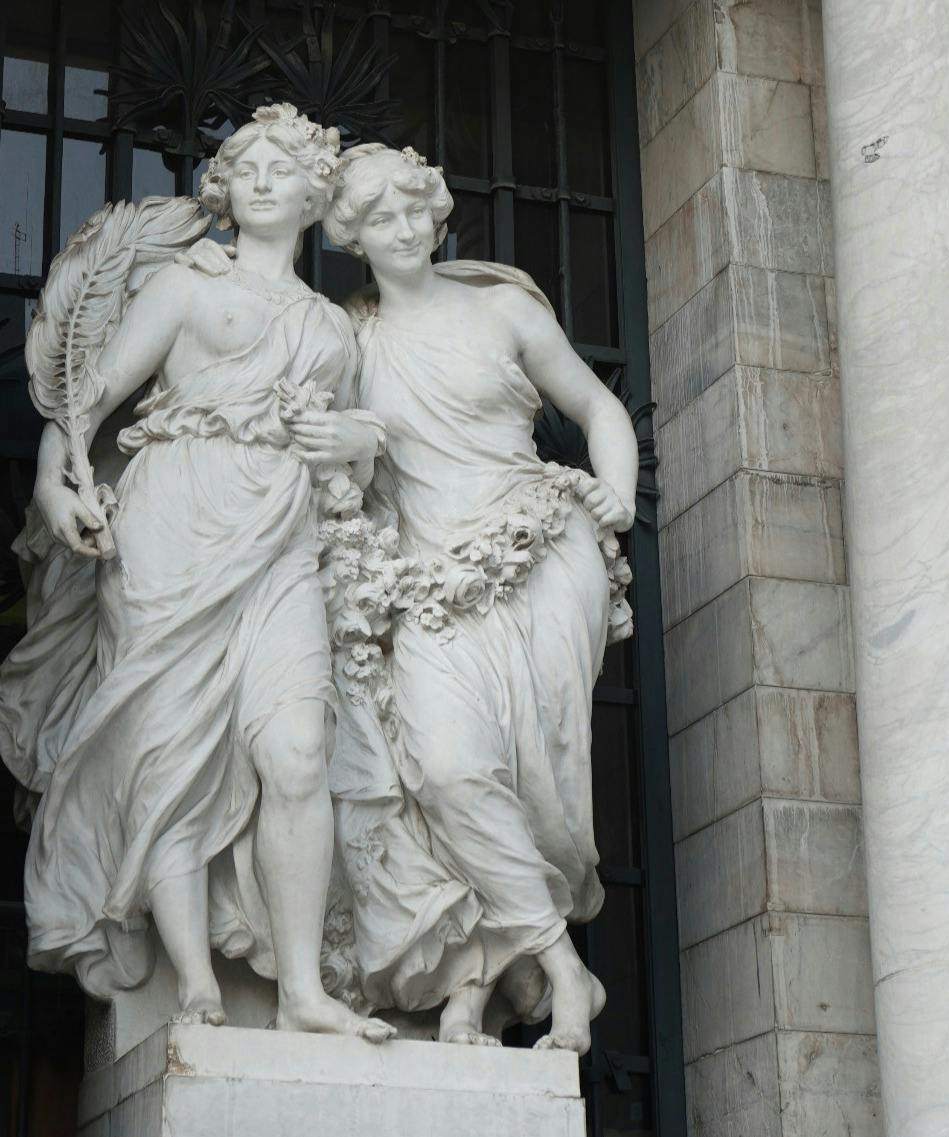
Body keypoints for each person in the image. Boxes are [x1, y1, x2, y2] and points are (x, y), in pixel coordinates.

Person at [0, 105, 392, 1041]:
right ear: (224, 188)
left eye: (282, 167)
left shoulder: (331, 325)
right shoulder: (185, 285)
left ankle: (302, 991)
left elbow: (363, 466)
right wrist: (52, 482)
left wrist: (353, 439)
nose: (262, 180)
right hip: (172, 523)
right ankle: (196, 980)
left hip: (282, 536)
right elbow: (87, 403)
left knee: (296, 749)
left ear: (314, 193)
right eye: (246, 166)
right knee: (171, 748)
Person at [321, 143, 638, 1052]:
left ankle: (478, 988)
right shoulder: (350, 340)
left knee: (536, 780)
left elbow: (599, 408)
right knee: (449, 772)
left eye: (414, 209)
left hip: (539, 554)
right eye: (380, 218)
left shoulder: (503, 310)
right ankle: (564, 971)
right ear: (353, 237)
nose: (403, 228)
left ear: (436, 214)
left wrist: (615, 495)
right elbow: (343, 470)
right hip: (428, 580)